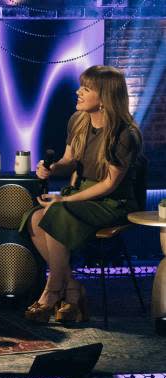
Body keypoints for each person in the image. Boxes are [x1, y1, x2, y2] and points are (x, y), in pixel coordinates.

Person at [22, 65, 143, 324]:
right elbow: (69, 160)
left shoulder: (124, 134)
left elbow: (109, 185)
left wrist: (64, 199)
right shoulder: (78, 120)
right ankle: (73, 290)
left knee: (56, 210)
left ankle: (53, 291)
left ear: (105, 97)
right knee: (34, 219)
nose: (78, 92)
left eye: (86, 89)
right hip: (81, 192)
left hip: (112, 202)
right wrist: (52, 169)